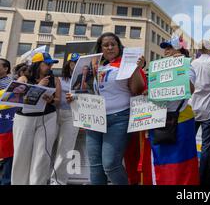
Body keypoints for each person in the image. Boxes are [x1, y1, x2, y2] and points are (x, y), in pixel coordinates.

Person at [67, 33, 146, 185]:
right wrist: (74, 97)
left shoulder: (126, 64)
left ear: (118, 46)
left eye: (113, 44)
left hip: (119, 119)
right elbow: (86, 90)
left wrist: (136, 69)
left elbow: (138, 89)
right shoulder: (93, 66)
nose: (110, 47)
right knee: (96, 167)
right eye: (106, 45)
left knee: (111, 165)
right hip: (94, 119)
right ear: (100, 48)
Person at [148, 36, 199, 185]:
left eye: (170, 47)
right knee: (162, 164)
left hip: (181, 121)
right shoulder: (157, 68)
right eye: (165, 48)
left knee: (182, 166)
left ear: (180, 49)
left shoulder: (187, 66)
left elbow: (190, 89)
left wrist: (179, 66)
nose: (167, 51)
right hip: (159, 120)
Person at [11, 52, 61, 185]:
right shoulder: (23, 78)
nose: (50, 66)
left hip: (47, 118)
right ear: (37, 64)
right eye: (47, 64)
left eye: (51, 64)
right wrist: (39, 88)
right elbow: (14, 97)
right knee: (22, 153)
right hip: (24, 119)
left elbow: (57, 101)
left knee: (42, 155)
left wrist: (51, 100)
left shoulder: (55, 80)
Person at [190, 41, 210, 184]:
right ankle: (201, 179)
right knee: (206, 147)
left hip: (193, 108)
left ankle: (190, 176)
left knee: (189, 144)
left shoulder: (192, 63)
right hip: (209, 109)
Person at [51, 53, 81, 185]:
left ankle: (58, 181)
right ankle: (42, 177)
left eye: (78, 62)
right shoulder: (58, 78)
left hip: (72, 116)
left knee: (65, 150)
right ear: (68, 63)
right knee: (47, 147)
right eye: (73, 62)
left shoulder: (85, 80)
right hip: (54, 114)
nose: (75, 64)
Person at [0, 58, 14, 186]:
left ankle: (6, 181)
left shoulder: (10, 83)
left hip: (5, 125)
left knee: (6, 154)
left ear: (5, 69)